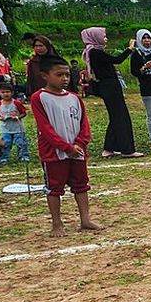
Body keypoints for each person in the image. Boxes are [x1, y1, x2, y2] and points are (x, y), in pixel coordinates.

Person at [31, 56, 103, 236]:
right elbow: (45, 128)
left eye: (67, 75)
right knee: (54, 188)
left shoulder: (74, 98)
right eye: (59, 74)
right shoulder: (39, 98)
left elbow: (83, 124)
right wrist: (65, 147)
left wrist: (79, 143)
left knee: (81, 185)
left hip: (77, 151)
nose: (64, 78)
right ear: (45, 75)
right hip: (53, 153)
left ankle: (85, 219)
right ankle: (57, 223)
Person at [81, 27, 143, 158]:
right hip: (109, 87)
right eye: (103, 36)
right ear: (95, 37)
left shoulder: (95, 52)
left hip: (109, 86)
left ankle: (109, 148)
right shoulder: (95, 52)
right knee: (121, 117)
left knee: (116, 117)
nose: (106, 39)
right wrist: (129, 49)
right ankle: (127, 150)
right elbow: (117, 60)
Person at [0, 84, 28, 163]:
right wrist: (1, 118)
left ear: (12, 93)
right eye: (3, 92)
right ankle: (4, 157)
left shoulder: (16, 103)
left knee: (21, 143)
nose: (6, 94)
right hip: (5, 128)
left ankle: (23, 156)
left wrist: (18, 117)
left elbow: (24, 113)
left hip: (18, 128)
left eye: (8, 92)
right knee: (5, 143)